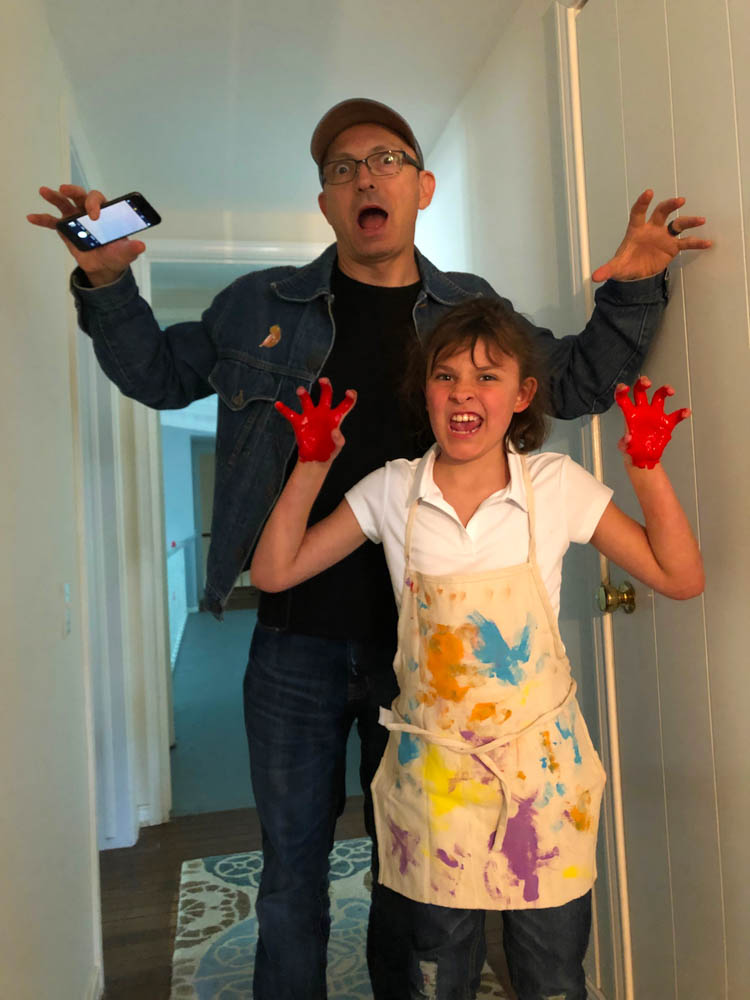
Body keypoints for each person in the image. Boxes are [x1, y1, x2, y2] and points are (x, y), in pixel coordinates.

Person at [27, 98, 711, 998]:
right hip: (296, 635)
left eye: (387, 159)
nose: (365, 178)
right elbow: (157, 374)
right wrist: (108, 283)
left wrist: (634, 288)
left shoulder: (471, 311)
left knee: (410, 871)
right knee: (291, 875)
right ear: (326, 203)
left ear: (422, 188)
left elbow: (576, 380)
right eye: (342, 169)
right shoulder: (258, 307)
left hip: (425, 658)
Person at [250, 296, 704, 1000]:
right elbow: (274, 573)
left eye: (487, 376)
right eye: (447, 375)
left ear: (522, 395)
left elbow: (680, 577)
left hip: (542, 787)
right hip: (434, 789)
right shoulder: (392, 492)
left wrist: (646, 469)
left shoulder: (555, 485)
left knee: (552, 977)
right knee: (438, 975)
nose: (464, 392)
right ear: (425, 392)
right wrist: (311, 464)